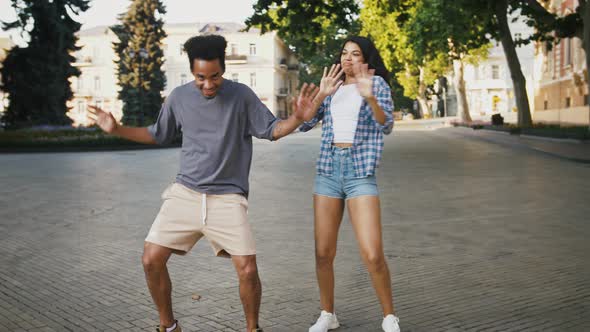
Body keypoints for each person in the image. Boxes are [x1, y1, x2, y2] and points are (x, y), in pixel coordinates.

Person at [87, 34, 319, 332]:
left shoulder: (242, 96)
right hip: (185, 193)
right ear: (191, 71)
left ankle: (253, 329)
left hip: (228, 198)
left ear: (223, 69)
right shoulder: (179, 98)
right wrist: (117, 129)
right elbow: (157, 134)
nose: (208, 85)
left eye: (215, 77)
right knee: (150, 259)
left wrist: (298, 117)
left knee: (247, 270)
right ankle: (168, 326)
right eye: (200, 78)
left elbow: (272, 130)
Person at [299, 36, 401, 332]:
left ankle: (389, 316)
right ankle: (328, 314)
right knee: (323, 253)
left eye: (356, 54)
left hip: (360, 173)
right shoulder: (332, 86)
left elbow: (387, 124)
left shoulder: (377, 85)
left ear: (366, 59)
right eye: (344, 53)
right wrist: (320, 95)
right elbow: (306, 122)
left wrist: (369, 95)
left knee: (372, 253)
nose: (348, 59)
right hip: (328, 171)